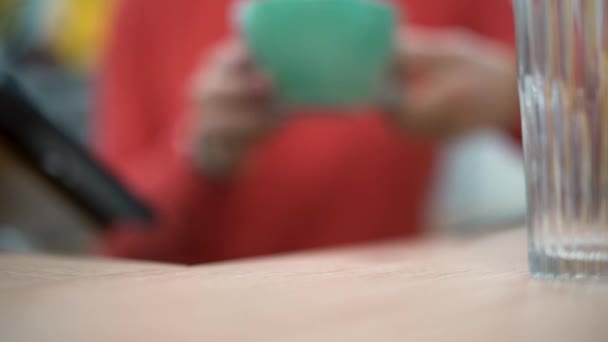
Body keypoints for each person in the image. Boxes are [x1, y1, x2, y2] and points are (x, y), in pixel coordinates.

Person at [95, 0, 519, 264]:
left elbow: (579, 113)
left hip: (386, 313)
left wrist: (511, 92)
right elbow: (116, 242)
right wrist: (199, 156)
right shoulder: (149, 10)